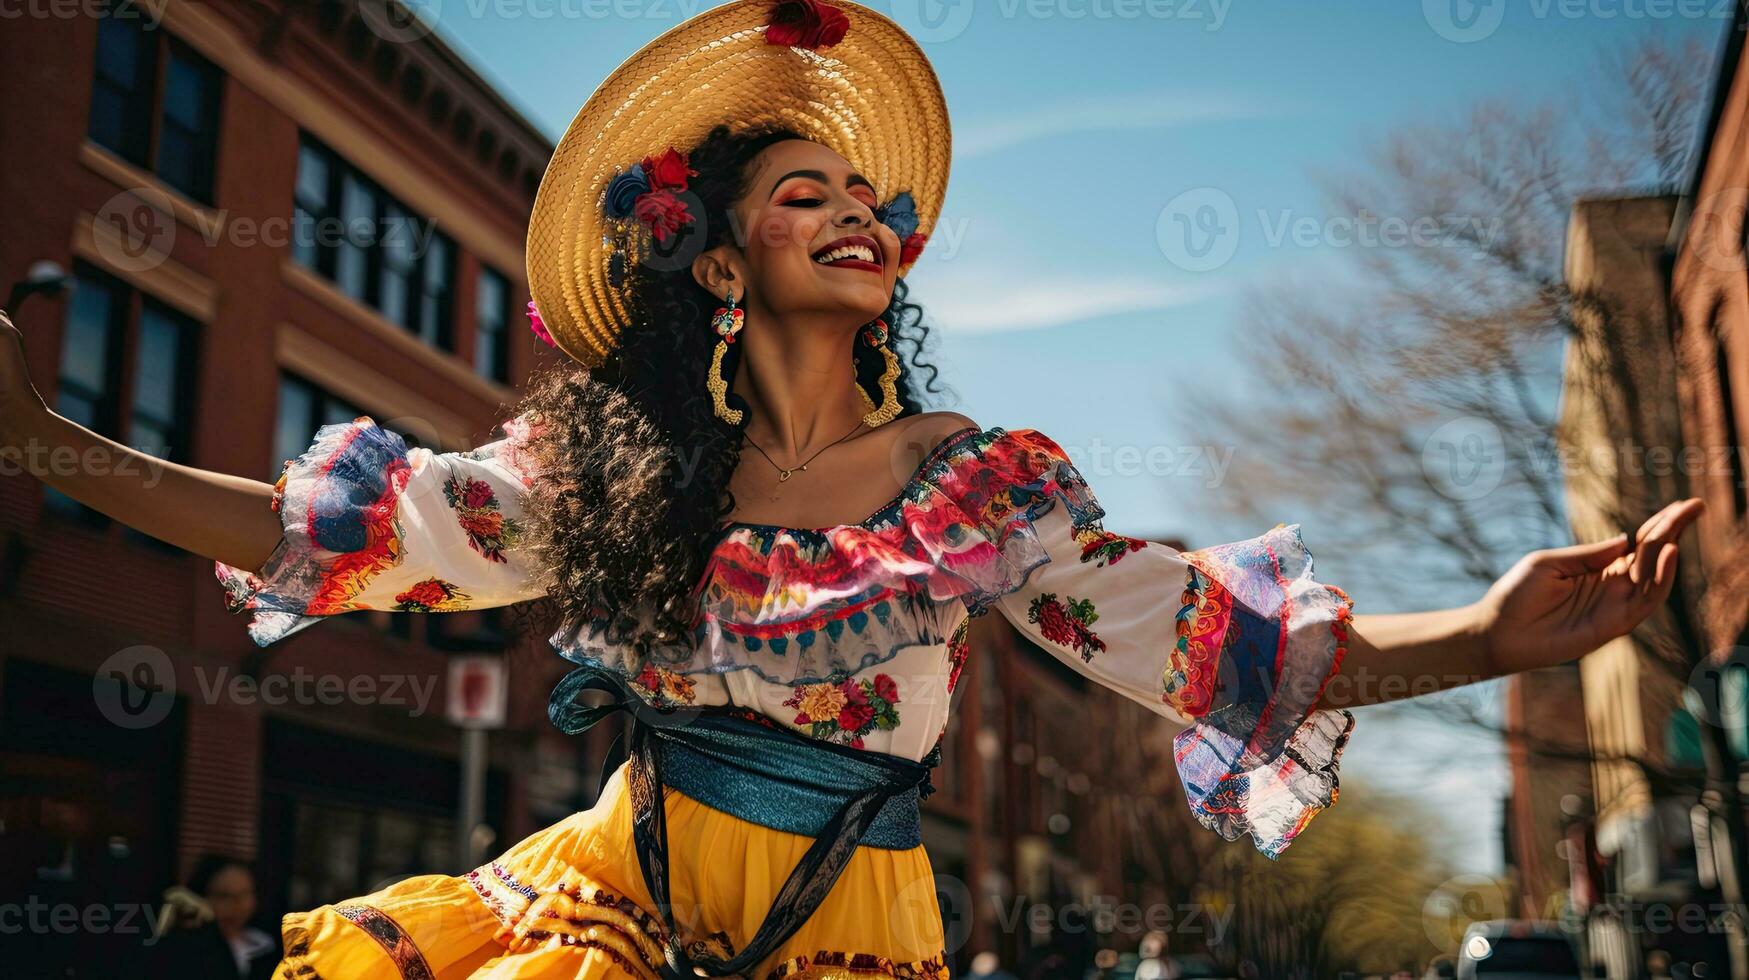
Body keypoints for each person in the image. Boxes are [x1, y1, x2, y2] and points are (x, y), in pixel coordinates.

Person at [0, 0, 1703, 977]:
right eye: (801, 187)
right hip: (614, 910)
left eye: (864, 192)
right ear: (717, 259)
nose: (853, 209)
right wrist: (52, 453)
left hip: (852, 939)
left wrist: (1486, 635)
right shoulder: (612, 473)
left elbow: (1210, 653)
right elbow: (342, 540)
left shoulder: (974, 492)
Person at [146, 854, 279, 980]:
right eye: (224, 896)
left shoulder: (268, 943)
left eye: (245, 894)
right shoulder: (187, 948)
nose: (238, 905)